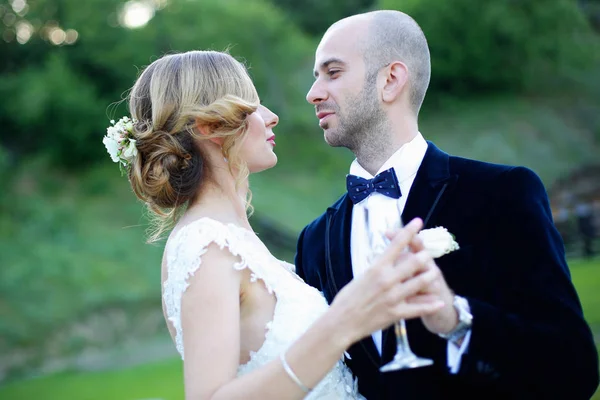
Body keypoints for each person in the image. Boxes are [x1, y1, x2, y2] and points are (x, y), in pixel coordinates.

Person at [103, 50, 448, 400]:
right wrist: (341, 324)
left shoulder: (234, 237)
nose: (271, 117)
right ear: (209, 127)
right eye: (252, 106)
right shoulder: (204, 245)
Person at [296, 10, 600, 400]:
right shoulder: (315, 242)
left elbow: (573, 368)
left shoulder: (502, 194)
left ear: (391, 80)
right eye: (315, 77)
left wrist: (457, 319)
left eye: (332, 73)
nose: (313, 93)